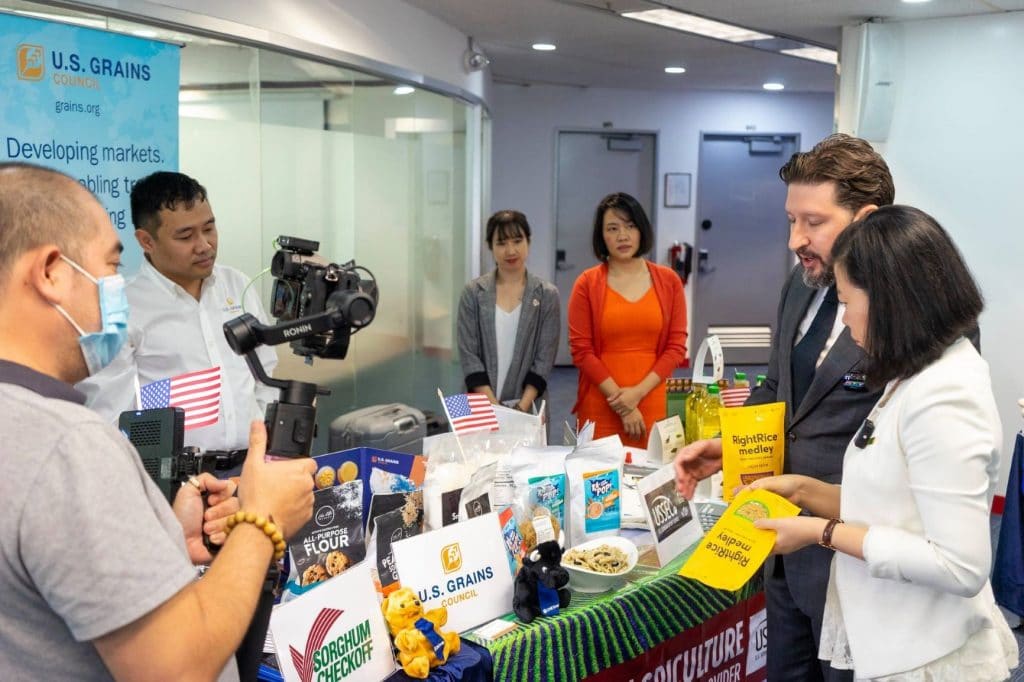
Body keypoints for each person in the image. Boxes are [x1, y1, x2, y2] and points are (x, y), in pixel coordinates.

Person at [0, 162, 315, 681]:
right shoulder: (71, 446)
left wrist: (167, 531)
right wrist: (263, 522)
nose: (113, 291)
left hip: (219, 491)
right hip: (188, 479)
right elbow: (176, 666)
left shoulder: (26, 418)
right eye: (107, 266)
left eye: (209, 228)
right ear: (52, 272)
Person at [747, 205, 1018, 680]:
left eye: (849, 302)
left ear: (893, 302)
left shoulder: (945, 395)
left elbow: (959, 565)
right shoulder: (912, 372)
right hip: (890, 634)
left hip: (924, 653)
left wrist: (819, 532)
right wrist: (806, 491)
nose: (846, 319)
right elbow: (895, 505)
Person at [675, 134, 895, 681]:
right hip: (783, 548)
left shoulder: (918, 313)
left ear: (865, 219)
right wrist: (728, 445)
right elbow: (779, 389)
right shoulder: (800, 286)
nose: (795, 238)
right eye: (791, 220)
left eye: (813, 222)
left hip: (858, 562)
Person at [78, 171, 278, 457]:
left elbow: (266, 375)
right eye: (185, 236)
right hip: (175, 478)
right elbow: (111, 413)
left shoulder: (236, 284)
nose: (204, 245)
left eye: (209, 228)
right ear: (147, 241)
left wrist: (265, 444)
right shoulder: (121, 306)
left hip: (251, 465)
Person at [569, 192, 686, 448]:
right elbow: (582, 351)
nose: (623, 235)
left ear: (642, 229)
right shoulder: (586, 284)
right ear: (602, 236)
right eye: (613, 228)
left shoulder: (669, 281)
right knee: (597, 482)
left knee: (652, 481)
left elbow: (676, 347)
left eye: (630, 226)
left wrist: (637, 394)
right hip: (601, 402)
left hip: (651, 400)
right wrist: (622, 404)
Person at [457, 210, 560, 413]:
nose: (510, 250)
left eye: (517, 240)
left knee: (527, 446)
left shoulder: (547, 294)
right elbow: (469, 355)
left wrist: (521, 408)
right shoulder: (473, 293)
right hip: (479, 405)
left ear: (528, 243)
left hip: (528, 405)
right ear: (490, 247)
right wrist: (494, 408)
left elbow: (544, 358)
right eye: (501, 243)